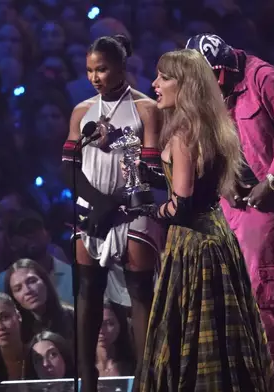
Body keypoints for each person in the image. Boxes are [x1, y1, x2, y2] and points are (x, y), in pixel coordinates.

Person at [124, 48, 274, 391]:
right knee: (224, 339)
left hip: (194, 247)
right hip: (218, 237)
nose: (155, 84)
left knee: (192, 338)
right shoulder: (211, 126)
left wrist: (147, 210)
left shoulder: (183, 134)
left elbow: (181, 205)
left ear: (187, 85)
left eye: (164, 77)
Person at [185, 33, 274, 360]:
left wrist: (272, 180)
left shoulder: (264, 79)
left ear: (221, 74)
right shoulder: (201, 84)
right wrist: (222, 181)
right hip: (228, 199)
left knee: (259, 292)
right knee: (223, 292)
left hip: (267, 201)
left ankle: (261, 375)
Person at [60, 34, 162, 391]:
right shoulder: (81, 110)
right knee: (88, 289)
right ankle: (87, 381)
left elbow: (151, 171)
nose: (94, 77)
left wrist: (121, 143)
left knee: (139, 291)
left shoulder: (147, 109)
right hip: (91, 207)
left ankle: (148, 380)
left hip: (133, 208)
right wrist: (97, 205)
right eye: (89, 70)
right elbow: (68, 168)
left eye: (101, 69)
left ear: (122, 66)